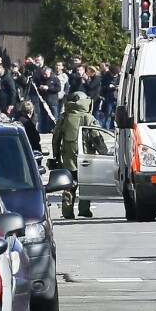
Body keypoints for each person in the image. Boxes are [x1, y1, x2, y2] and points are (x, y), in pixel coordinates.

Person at [52, 91, 108, 219]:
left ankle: (67, 211)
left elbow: (56, 138)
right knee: (85, 183)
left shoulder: (64, 117)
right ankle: (84, 209)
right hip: (86, 158)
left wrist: (56, 155)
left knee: (68, 185)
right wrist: (104, 153)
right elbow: (96, 137)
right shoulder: (88, 118)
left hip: (68, 157)